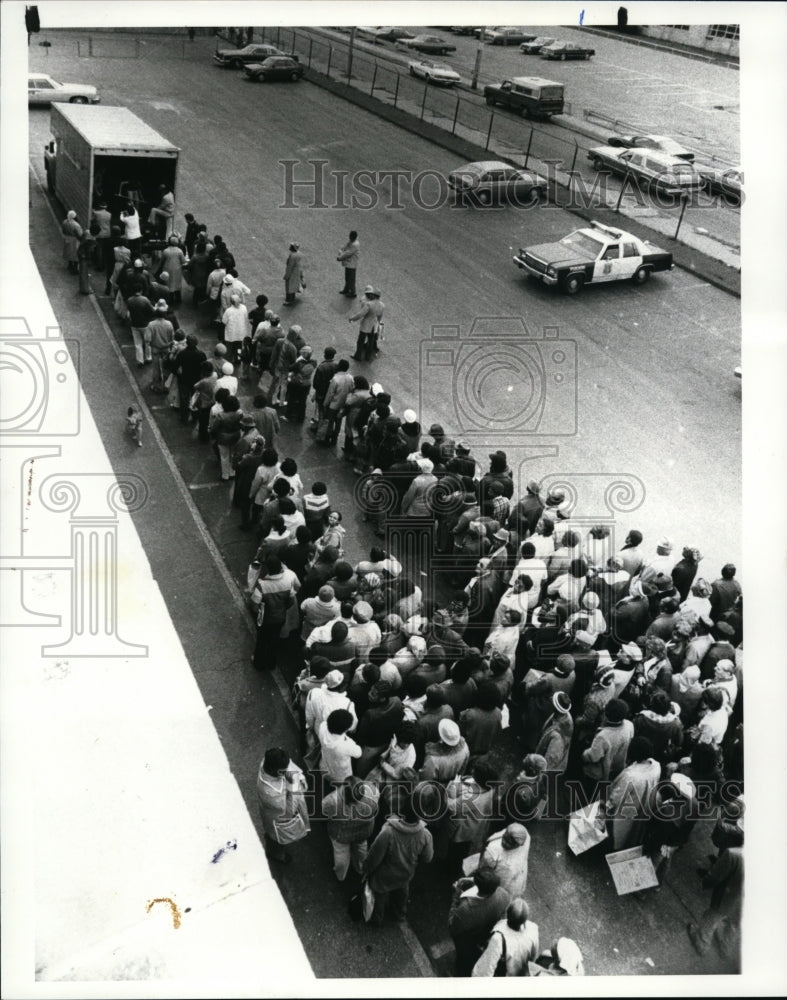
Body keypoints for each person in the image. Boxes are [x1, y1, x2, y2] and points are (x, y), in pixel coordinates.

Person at [364, 794, 434, 924]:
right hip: (405, 874)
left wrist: (366, 869)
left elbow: (375, 856)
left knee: (379, 896)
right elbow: (428, 858)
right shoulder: (425, 835)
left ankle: (377, 920)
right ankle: (399, 915)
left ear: (402, 809)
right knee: (401, 895)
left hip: (384, 876)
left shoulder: (388, 832)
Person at [448, 867, 511, 976]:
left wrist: (456, 896)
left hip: (467, 938)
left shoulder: (466, 909)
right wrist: (474, 880)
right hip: (484, 933)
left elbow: (452, 926)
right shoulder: (504, 894)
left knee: (463, 958)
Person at [255, 747, 310, 863]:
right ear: (276, 772)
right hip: (278, 817)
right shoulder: (270, 793)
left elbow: (289, 766)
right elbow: (288, 810)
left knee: (273, 835)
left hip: (273, 811)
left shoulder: (269, 761)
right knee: (276, 839)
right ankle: (275, 854)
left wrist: (297, 777)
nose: (287, 770)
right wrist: (295, 787)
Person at [687, 846, 743, 959]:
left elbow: (715, 876)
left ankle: (701, 943)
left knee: (711, 918)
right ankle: (725, 948)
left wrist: (704, 884)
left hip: (727, 898)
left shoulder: (732, 854)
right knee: (734, 924)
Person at [605, 735, 661, 850]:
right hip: (645, 805)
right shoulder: (656, 765)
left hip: (629, 808)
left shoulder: (630, 776)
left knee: (622, 830)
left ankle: (614, 848)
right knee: (637, 830)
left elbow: (616, 797)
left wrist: (606, 806)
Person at [322, 776, 379, 882]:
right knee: (361, 850)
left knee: (341, 857)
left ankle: (341, 875)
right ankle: (361, 869)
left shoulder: (333, 800)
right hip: (363, 831)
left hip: (341, 834)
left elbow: (325, 811)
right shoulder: (373, 791)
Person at [249, 554, 300, 671]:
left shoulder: (262, 586)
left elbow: (254, 605)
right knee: (274, 640)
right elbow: (291, 600)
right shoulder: (287, 581)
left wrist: (259, 614)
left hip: (266, 620)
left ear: (268, 569)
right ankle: (271, 663)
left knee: (262, 641)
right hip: (280, 618)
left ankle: (259, 663)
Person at [472, 898, 540, 977]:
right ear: (525, 920)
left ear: (507, 913)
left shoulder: (498, 938)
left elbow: (484, 971)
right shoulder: (533, 929)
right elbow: (532, 958)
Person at [478, 823, 531, 900]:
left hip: (513, 881)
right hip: (495, 883)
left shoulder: (525, 837)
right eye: (504, 838)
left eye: (509, 843)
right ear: (505, 832)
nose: (504, 842)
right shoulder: (492, 852)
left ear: (518, 845)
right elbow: (484, 872)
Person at [349, 285, 384, 362]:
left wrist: (352, 319)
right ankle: (368, 357)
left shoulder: (369, 304)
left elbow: (360, 314)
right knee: (371, 342)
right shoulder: (382, 305)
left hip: (366, 324)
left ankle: (358, 355)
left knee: (360, 341)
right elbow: (379, 317)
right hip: (374, 325)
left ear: (374, 295)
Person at [77, 222, 99, 294]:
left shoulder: (86, 232)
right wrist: (90, 260)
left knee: (83, 272)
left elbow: (81, 239)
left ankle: (83, 288)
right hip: (85, 256)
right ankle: (85, 290)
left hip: (81, 253)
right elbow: (89, 251)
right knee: (84, 272)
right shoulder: (91, 240)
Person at [337, 229, 360, 297]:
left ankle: (353, 292)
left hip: (352, 264)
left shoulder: (355, 245)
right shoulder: (352, 242)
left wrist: (340, 258)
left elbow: (348, 253)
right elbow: (345, 247)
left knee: (351, 279)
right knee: (347, 277)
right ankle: (346, 289)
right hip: (349, 263)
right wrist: (341, 250)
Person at [283, 241, 304, 306]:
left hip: (292, 272)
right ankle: (292, 297)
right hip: (297, 271)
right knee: (294, 285)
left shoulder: (292, 256)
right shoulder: (299, 254)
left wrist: (286, 276)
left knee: (289, 286)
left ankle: (289, 300)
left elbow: (290, 267)